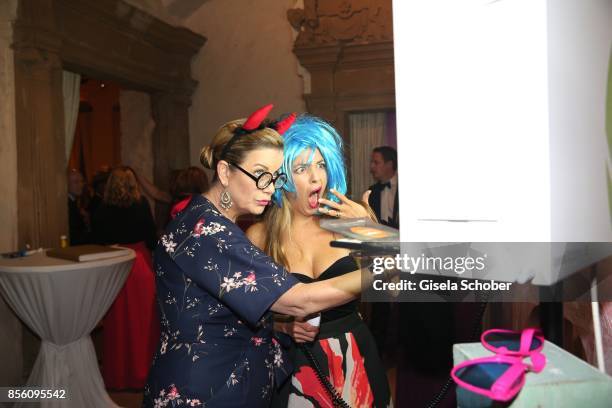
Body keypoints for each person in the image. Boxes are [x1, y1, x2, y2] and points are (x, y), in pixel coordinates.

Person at [143, 105, 371, 408]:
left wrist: (278, 327)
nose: (271, 188)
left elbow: (216, 313)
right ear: (224, 172)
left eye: (276, 177)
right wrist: (386, 266)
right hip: (207, 393)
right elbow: (299, 299)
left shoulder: (213, 222)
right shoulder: (207, 231)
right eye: (262, 176)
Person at [247, 115, 391, 408]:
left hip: (356, 358)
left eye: (321, 165)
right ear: (281, 176)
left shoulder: (351, 222)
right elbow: (245, 315)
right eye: (302, 168)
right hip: (293, 366)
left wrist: (373, 230)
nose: (317, 178)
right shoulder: (259, 236)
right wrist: (283, 327)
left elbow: (393, 285)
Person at [91, 166, 159, 389]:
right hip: (138, 265)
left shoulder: (102, 209)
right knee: (143, 324)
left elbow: (97, 239)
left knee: (117, 325)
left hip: (113, 266)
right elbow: (151, 237)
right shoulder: (140, 206)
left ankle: (118, 377)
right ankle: (144, 374)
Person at [367, 146, 399, 229]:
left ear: (389, 165)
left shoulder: (404, 188)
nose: (372, 167)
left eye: (376, 163)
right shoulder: (371, 191)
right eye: (372, 162)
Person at [67, 169, 91, 245]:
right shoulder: (67, 205)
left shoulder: (74, 202)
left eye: (82, 181)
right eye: (76, 182)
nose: (81, 185)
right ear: (66, 184)